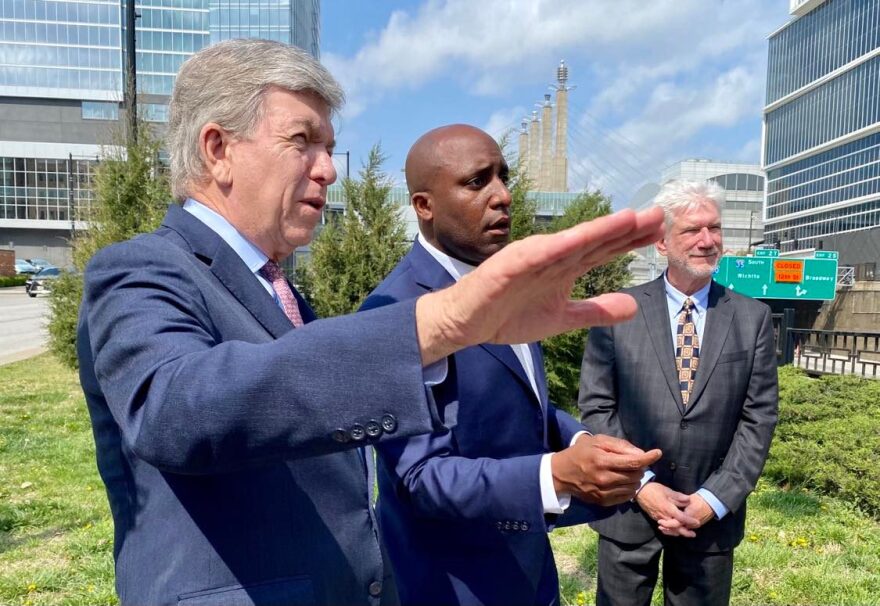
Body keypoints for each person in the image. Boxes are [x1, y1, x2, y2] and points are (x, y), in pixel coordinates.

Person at [76, 39, 664, 606]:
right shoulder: (140, 268)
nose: (329, 170)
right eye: (302, 141)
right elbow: (175, 409)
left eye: (329, 146)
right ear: (218, 149)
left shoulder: (281, 293)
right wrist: (442, 323)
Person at [360, 124, 660, 606]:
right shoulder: (392, 312)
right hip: (452, 588)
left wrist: (581, 440)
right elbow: (418, 478)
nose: (502, 196)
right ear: (424, 205)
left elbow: (524, 404)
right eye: (477, 182)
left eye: (504, 177)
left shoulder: (510, 287)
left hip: (530, 574)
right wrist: (556, 475)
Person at [578, 179, 779, 606]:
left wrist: (714, 499)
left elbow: (758, 419)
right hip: (628, 509)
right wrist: (641, 485)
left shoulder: (753, 318)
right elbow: (596, 408)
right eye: (692, 230)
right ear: (661, 243)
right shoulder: (616, 311)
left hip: (707, 518)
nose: (707, 241)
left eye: (715, 228)